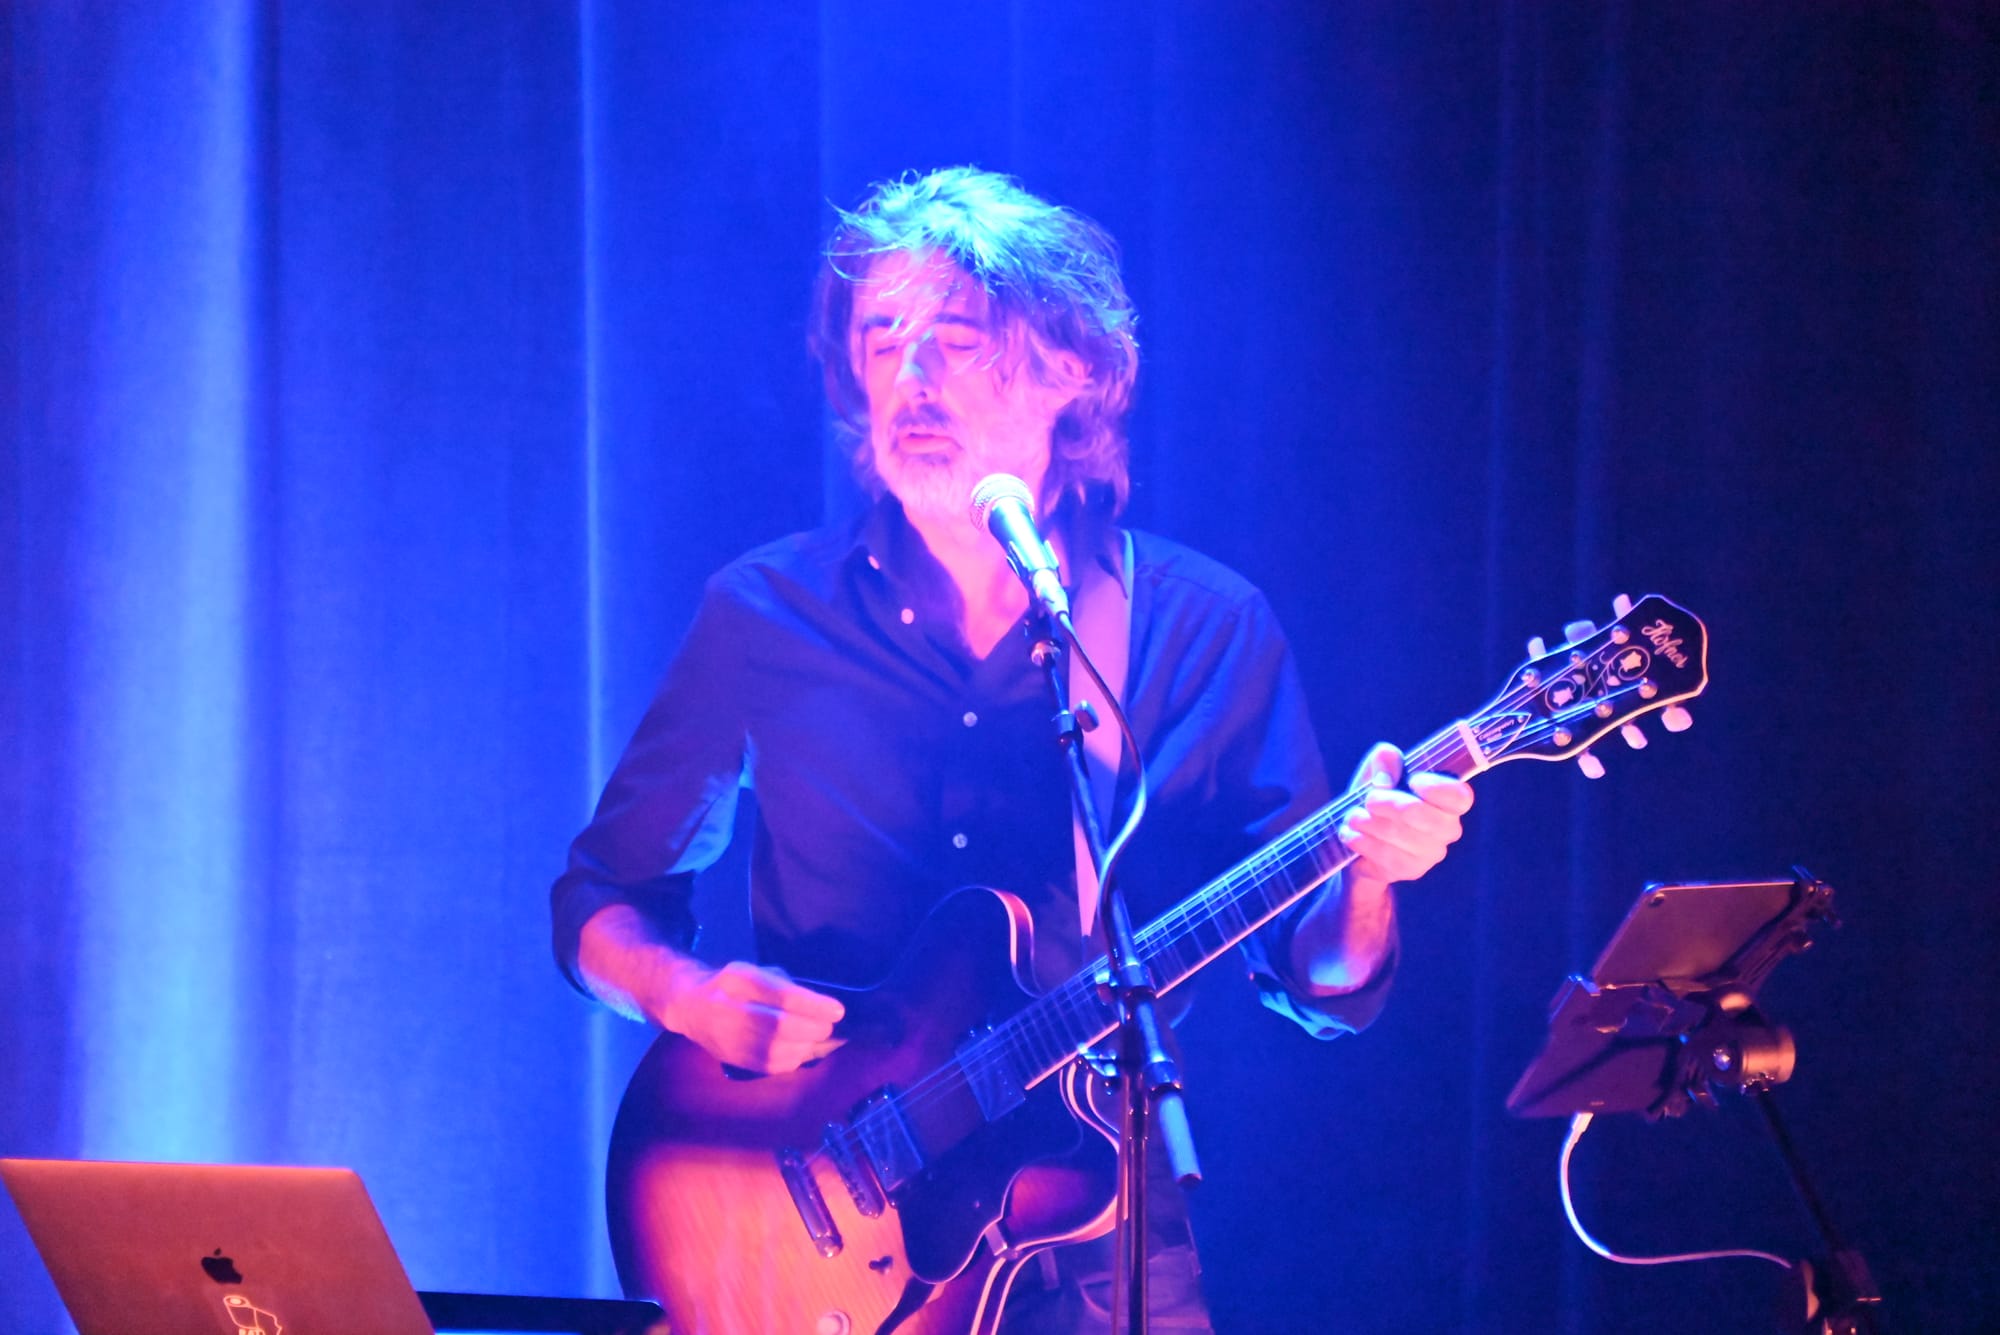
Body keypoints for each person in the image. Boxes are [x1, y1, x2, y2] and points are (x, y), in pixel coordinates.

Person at [550, 166, 1474, 1333]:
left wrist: (1371, 877)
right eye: (881, 339)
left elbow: (1320, 983)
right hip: (808, 1224)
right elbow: (598, 899)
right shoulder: (763, 612)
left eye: (956, 341)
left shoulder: (1200, 626)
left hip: (1093, 1234)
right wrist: (688, 997)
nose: (911, 378)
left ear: (1070, 369)